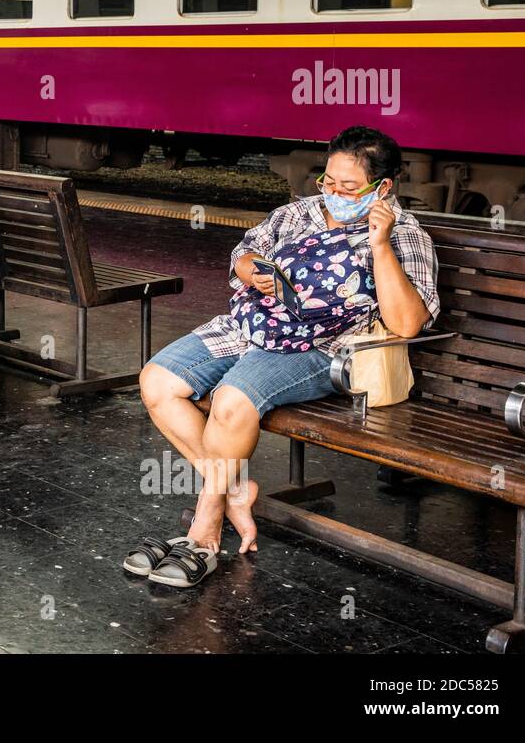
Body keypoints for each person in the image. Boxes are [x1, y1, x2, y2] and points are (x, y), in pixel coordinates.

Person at [134, 126, 439, 586]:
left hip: (324, 347)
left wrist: (379, 245)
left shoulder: (407, 236)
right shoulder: (299, 213)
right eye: (328, 182)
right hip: (252, 327)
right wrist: (251, 270)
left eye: (349, 187)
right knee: (157, 380)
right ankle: (238, 490)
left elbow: (408, 324)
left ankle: (205, 528)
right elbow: (245, 250)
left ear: (383, 187)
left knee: (232, 401)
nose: (333, 194)